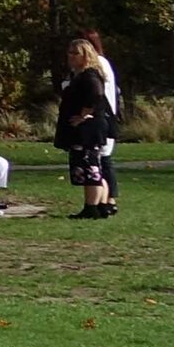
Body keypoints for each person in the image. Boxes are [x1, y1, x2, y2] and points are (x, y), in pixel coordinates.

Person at [55, 34, 120, 218]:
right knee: (92, 166)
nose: (71, 57)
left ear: (85, 55)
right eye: (69, 53)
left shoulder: (90, 75)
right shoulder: (78, 75)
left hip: (89, 130)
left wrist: (83, 116)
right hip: (84, 129)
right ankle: (101, 204)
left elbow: (96, 96)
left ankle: (91, 207)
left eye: (76, 53)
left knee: (89, 167)